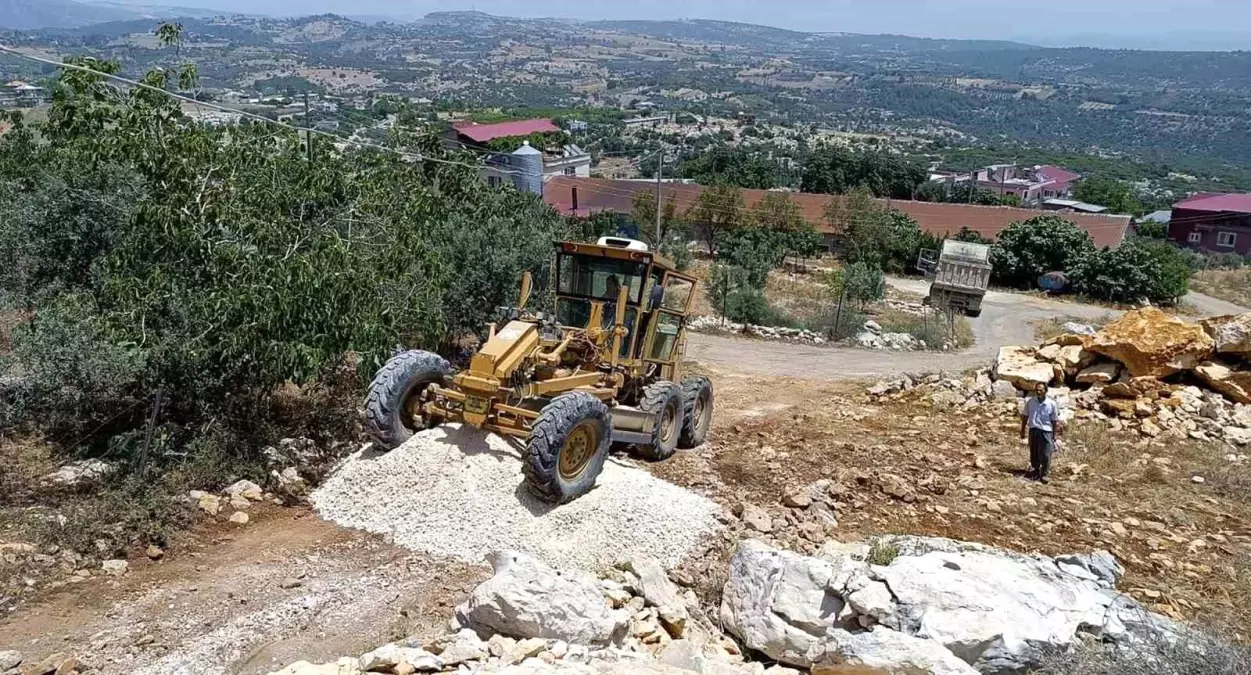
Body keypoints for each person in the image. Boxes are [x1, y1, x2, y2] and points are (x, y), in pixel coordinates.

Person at [1020, 382, 1061, 483]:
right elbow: (1025, 416)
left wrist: (1054, 434)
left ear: (1045, 391)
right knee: (1034, 451)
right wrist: (1022, 430)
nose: (1038, 392)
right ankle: (1035, 470)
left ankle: (1045, 473)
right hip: (1034, 429)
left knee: (1046, 453)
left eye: (1041, 390)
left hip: (1046, 431)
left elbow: (1054, 420)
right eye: (1037, 390)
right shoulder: (1030, 402)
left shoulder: (1051, 404)